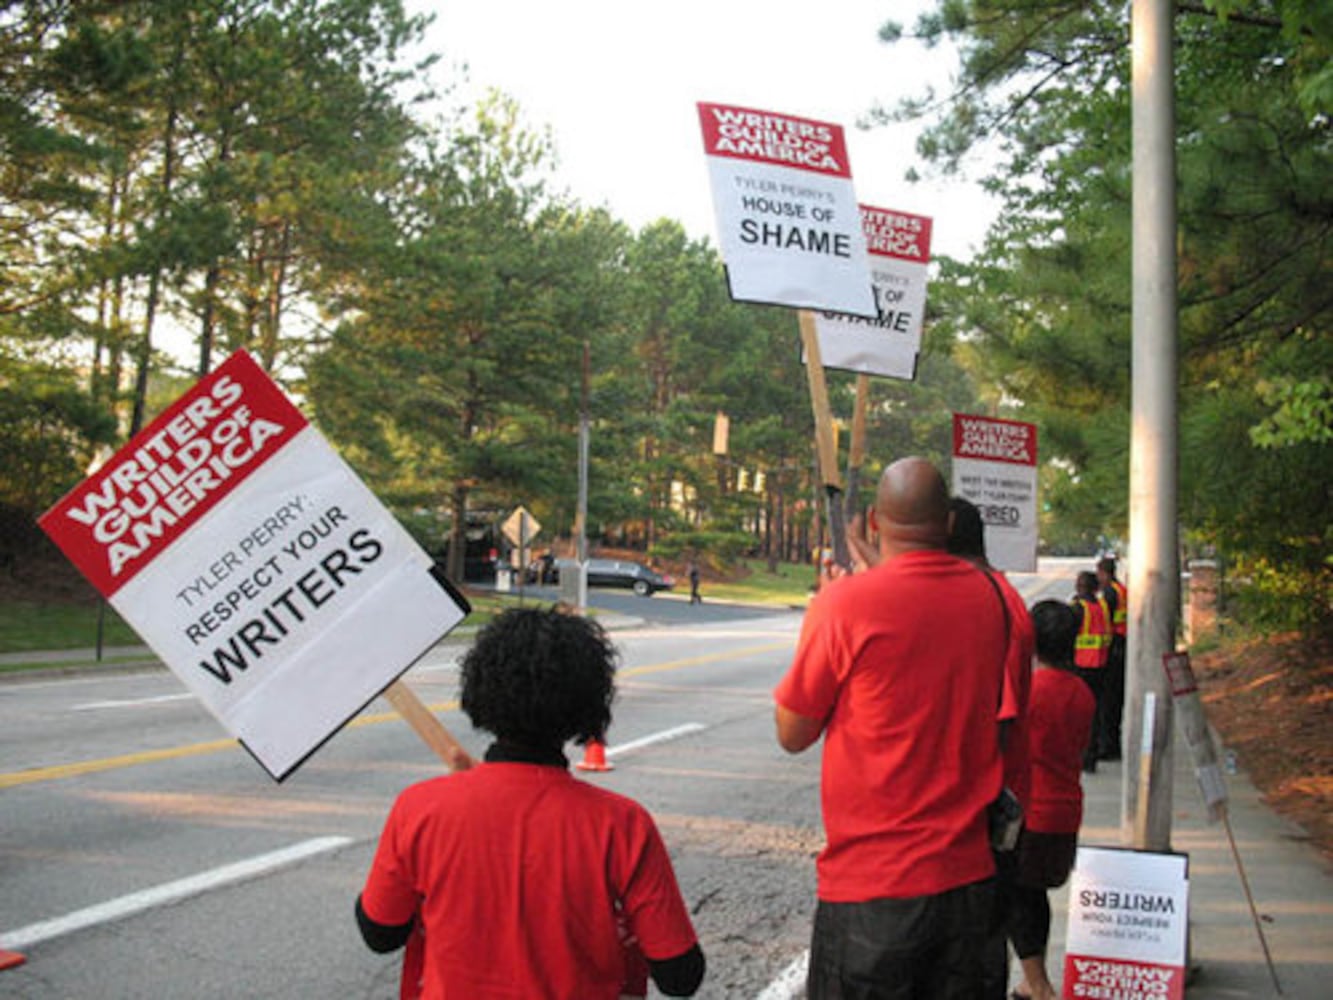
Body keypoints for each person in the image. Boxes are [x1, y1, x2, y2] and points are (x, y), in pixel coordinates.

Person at [356, 607, 705, 999]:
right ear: (588, 703)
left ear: (479, 690)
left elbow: (380, 932)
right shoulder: (622, 824)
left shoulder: (419, 809)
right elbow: (680, 973)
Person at [774, 457, 1011, 998]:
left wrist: (825, 612)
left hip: (872, 889)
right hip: (967, 882)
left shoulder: (844, 605)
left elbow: (793, 733)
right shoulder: (989, 598)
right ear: (948, 524)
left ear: (876, 524)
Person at [948, 497, 1036, 1000]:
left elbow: (997, 721)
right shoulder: (995, 594)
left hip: (985, 816)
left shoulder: (988, 604)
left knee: (974, 956)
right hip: (993, 806)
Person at [1007, 600, 1096, 1000]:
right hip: (1065, 810)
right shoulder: (1081, 692)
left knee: (1015, 899)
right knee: (1033, 895)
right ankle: (1032, 981)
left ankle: (1039, 986)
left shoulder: (1031, 691)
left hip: (1031, 812)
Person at [1070, 570, 1111, 773]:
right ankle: (1091, 755)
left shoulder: (1078, 608)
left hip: (1081, 666)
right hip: (1101, 665)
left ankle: (1082, 754)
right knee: (1095, 712)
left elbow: (1068, 635)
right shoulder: (1101, 606)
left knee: (1078, 715)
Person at [1096, 555, 1128, 761]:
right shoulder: (1122, 590)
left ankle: (1107, 746)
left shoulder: (1109, 594)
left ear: (1104, 573)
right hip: (1124, 644)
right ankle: (1113, 744)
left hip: (1113, 647)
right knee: (1116, 700)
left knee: (1108, 701)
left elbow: (1103, 621)